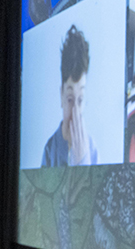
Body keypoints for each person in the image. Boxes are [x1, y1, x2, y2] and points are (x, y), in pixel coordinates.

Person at [41, 25, 97, 166]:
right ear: (61, 95)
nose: (75, 112)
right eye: (70, 99)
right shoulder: (49, 149)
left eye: (80, 99)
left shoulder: (92, 149)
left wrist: (82, 159)